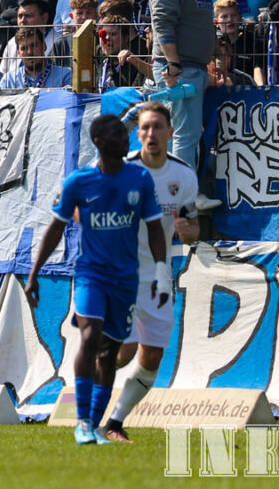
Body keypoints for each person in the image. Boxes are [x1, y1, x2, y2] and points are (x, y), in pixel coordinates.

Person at [27, 113, 167, 445]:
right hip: (91, 274)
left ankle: (95, 422)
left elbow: (155, 228)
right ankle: (82, 423)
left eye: (125, 133)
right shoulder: (79, 182)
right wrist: (33, 274)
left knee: (108, 352)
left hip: (126, 280)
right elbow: (56, 228)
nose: (127, 139)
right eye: (120, 135)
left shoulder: (140, 180)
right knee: (89, 338)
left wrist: (161, 272)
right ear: (100, 143)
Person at [101, 102, 199, 442]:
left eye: (158, 127)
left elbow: (191, 227)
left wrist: (188, 230)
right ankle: (91, 405)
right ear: (137, 133)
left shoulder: (183, 175)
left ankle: (115, 422)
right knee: (121, 352)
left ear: (171, 133)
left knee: (152, 357)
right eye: (145, 127)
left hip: (158, 276)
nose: (151, 133)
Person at [148, 0, 215, 169]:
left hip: (193, 68)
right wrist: (173, 64)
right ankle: (181, 195)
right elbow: (163, 23)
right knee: (183, 135)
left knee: (189, 133)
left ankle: (181, 192)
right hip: (178, 70)